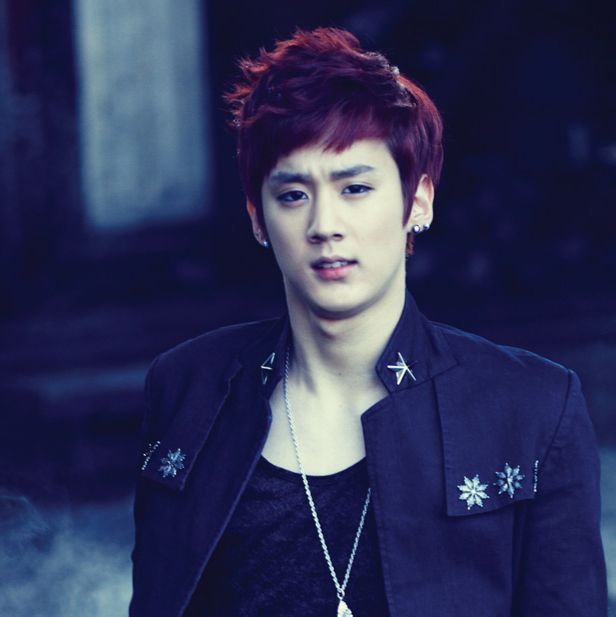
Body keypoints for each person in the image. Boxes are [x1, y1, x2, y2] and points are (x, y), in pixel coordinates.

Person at [129, 27, 607, 616]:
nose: (325, 225)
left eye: (355, 188)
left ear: (418, 201)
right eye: (293, 195)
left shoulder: (533, 408)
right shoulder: (186, 388)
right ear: (257, 218)